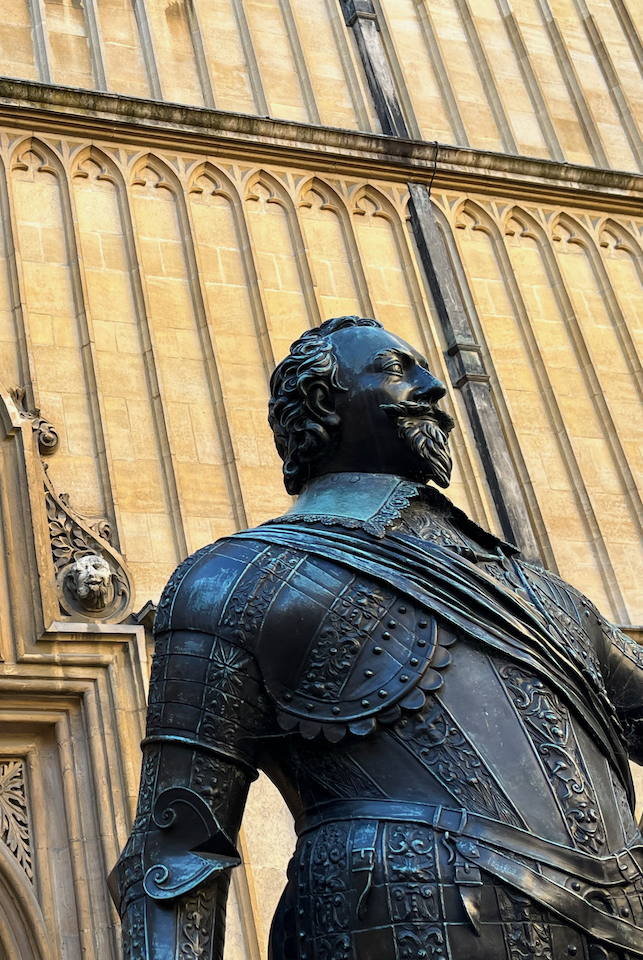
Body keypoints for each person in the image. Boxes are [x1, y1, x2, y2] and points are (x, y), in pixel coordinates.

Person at [113, 316, 643, 959]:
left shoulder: (542, 591)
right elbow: (174, 851)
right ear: (321, 407)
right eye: (396, 370)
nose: (434, 388)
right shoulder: (231, 581)